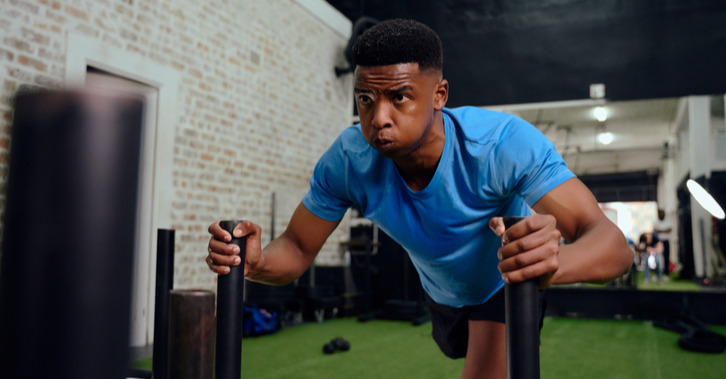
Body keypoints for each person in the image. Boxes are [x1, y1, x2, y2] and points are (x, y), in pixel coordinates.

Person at [205, 19, 633, 378]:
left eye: (400, 97)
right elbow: (297, 248)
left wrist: (548, 263)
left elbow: (612, 245)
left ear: (439, 96)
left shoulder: (501, 145)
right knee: (456, 349)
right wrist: (257, 262)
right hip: (442, 296)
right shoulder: (349, 160)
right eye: (365, 100)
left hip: (503, 282)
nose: (378, 119)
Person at [653, 208, 672, 277]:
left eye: (662, 213)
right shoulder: (656, 221)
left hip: (666, 241)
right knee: (657, 257)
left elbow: (669, 230)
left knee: (666, 257)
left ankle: (666, 273)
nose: (661, 215)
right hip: (658, 242)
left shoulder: (668, 221)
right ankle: (657, 273)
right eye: (660, 214)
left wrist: (660, 231)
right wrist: (664, 230)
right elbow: (655, 230)